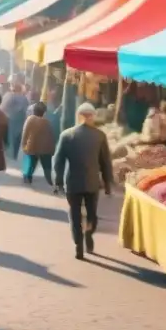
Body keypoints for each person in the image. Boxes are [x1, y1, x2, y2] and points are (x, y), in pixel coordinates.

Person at [53, 102, 114, 260]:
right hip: (92, 183)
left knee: (74, 214)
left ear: (78, 116)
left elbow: (58, 161)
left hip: (72, 182)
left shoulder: (67, 135)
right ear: (93, 117)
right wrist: (107, 183)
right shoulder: (100, 136)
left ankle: (78, 244)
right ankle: (89, 232)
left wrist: (58, 181)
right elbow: (105, 162)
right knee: (92, 213)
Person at [21, 101, 56, 186]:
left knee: (30, 163)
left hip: (32, 147)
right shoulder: (47, 122)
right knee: (47, 166)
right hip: (45, 149)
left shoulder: (30, 119)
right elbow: (52, 137)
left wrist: (23, 146)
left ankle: (27, 177)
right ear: (44, 112)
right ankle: (49, 180)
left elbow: (25, 134)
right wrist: (52, 150)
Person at [1, 83, 29, 161]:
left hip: (8, 120)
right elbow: (26, 110)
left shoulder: (7, 96)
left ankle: (8, 155)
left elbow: (2, 108)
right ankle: (14, 155)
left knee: (9, 137)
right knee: (17, 139)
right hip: (20, 121)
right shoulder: (24, 98)